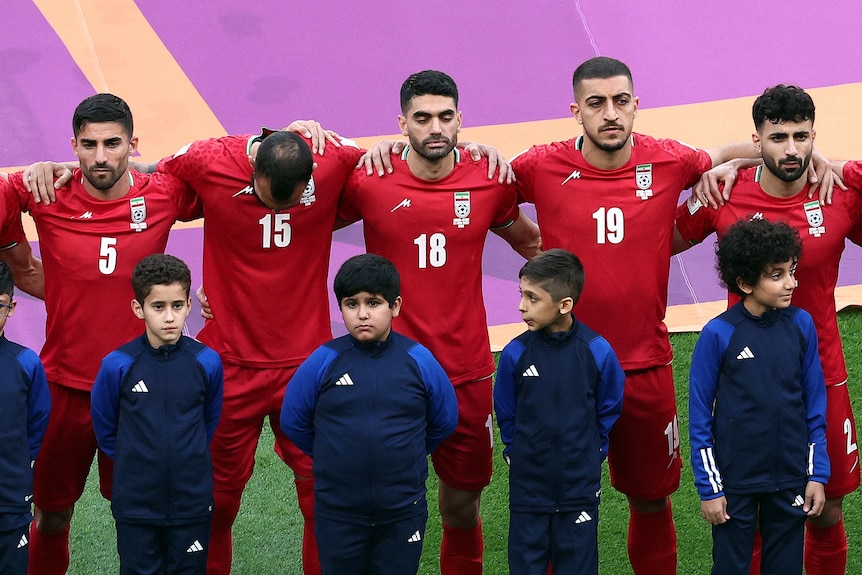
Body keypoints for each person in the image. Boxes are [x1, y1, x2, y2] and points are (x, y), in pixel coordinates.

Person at [506, 56, 786, 574]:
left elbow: (737, 152)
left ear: (636, 105)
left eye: (620, 102)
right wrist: (534, 247)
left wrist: (778, 160)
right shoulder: (539, 165)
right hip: (562, 371)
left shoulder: (670, 160)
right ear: (576, 111)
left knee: (652, 500)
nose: (609, 114)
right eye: (596, 104)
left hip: (645, 367)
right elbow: (480, 185)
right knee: (554, 508)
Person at [337, 69, 540, 574]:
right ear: (401, 122)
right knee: (381, 505)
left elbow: (533, 244)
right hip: (386, 373)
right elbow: (302, 223)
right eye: (422, 117)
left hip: (465, 371)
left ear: (460, 121)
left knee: (461, 506)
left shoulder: (489, 178)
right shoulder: (368, 178)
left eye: (445, 117)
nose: (435, 128)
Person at [1, 93, 201, 575]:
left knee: (139, 518)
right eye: (88, 145)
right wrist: (18, 242)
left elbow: (232, 183)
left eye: (113, 144)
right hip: (64, 386)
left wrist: (264, 143)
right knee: (50, 514)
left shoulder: (164, 193)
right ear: (73, 145)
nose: (100, 157)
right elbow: (10, 219)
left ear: (133, 144)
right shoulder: (47, 194)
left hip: (142, 391)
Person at [674, 84, 862, 575]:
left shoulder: (839, 195)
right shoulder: (726, 192)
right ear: (756, 139)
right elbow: (657, 239)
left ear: (814, 137)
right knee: (749, 509)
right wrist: (723, 164)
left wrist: (839, 165)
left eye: (802, 137)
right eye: (778, 137)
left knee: (827, 509)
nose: (792, 149)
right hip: (747, 382)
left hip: (823, 373)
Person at [281, 253, 458, 575]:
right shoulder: (324, 360)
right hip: (338, 513)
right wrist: (332, 452)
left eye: (373, 303)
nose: (362, 314)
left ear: (396, 306)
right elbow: (294, 420)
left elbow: (444, 420)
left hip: (403, 512)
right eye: (351, 304)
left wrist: (407, 448)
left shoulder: (419, 360)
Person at [689, 217, 828, 574]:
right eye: (777, 275)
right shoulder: (718, 334)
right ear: (745, 282)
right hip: (736, 481)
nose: (791, 283)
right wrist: (710, 489)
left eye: (791, 271)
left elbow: (814, 406)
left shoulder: (801, 325)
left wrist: (816, 475)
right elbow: (700, 415)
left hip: (790, 476)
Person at [494, 249, 624, 575]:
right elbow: (506, 412)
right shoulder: (515, 353)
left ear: (565, 305)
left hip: (578, 488)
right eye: (521, 295)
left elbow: (609, 407)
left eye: (533, 298)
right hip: (528, 490)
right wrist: (516, 450)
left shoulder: (597, 351)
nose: (522, 306)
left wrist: (590, 450)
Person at [90, 254, 223, 574]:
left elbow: (209, 420)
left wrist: (184, 454)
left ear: (189, 305)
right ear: (139, 309)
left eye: (177, 306)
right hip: (137, 503)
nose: (169, 317)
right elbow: (105, 426)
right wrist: (135, 458)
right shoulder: (117, 365)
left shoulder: (207, 362)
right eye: (158, 307)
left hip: (191, 501)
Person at [0, 260, 50, 575]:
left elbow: (37, 425)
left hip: (9, 500)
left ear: (12, 307)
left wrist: (16, 464)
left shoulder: (26, 363)